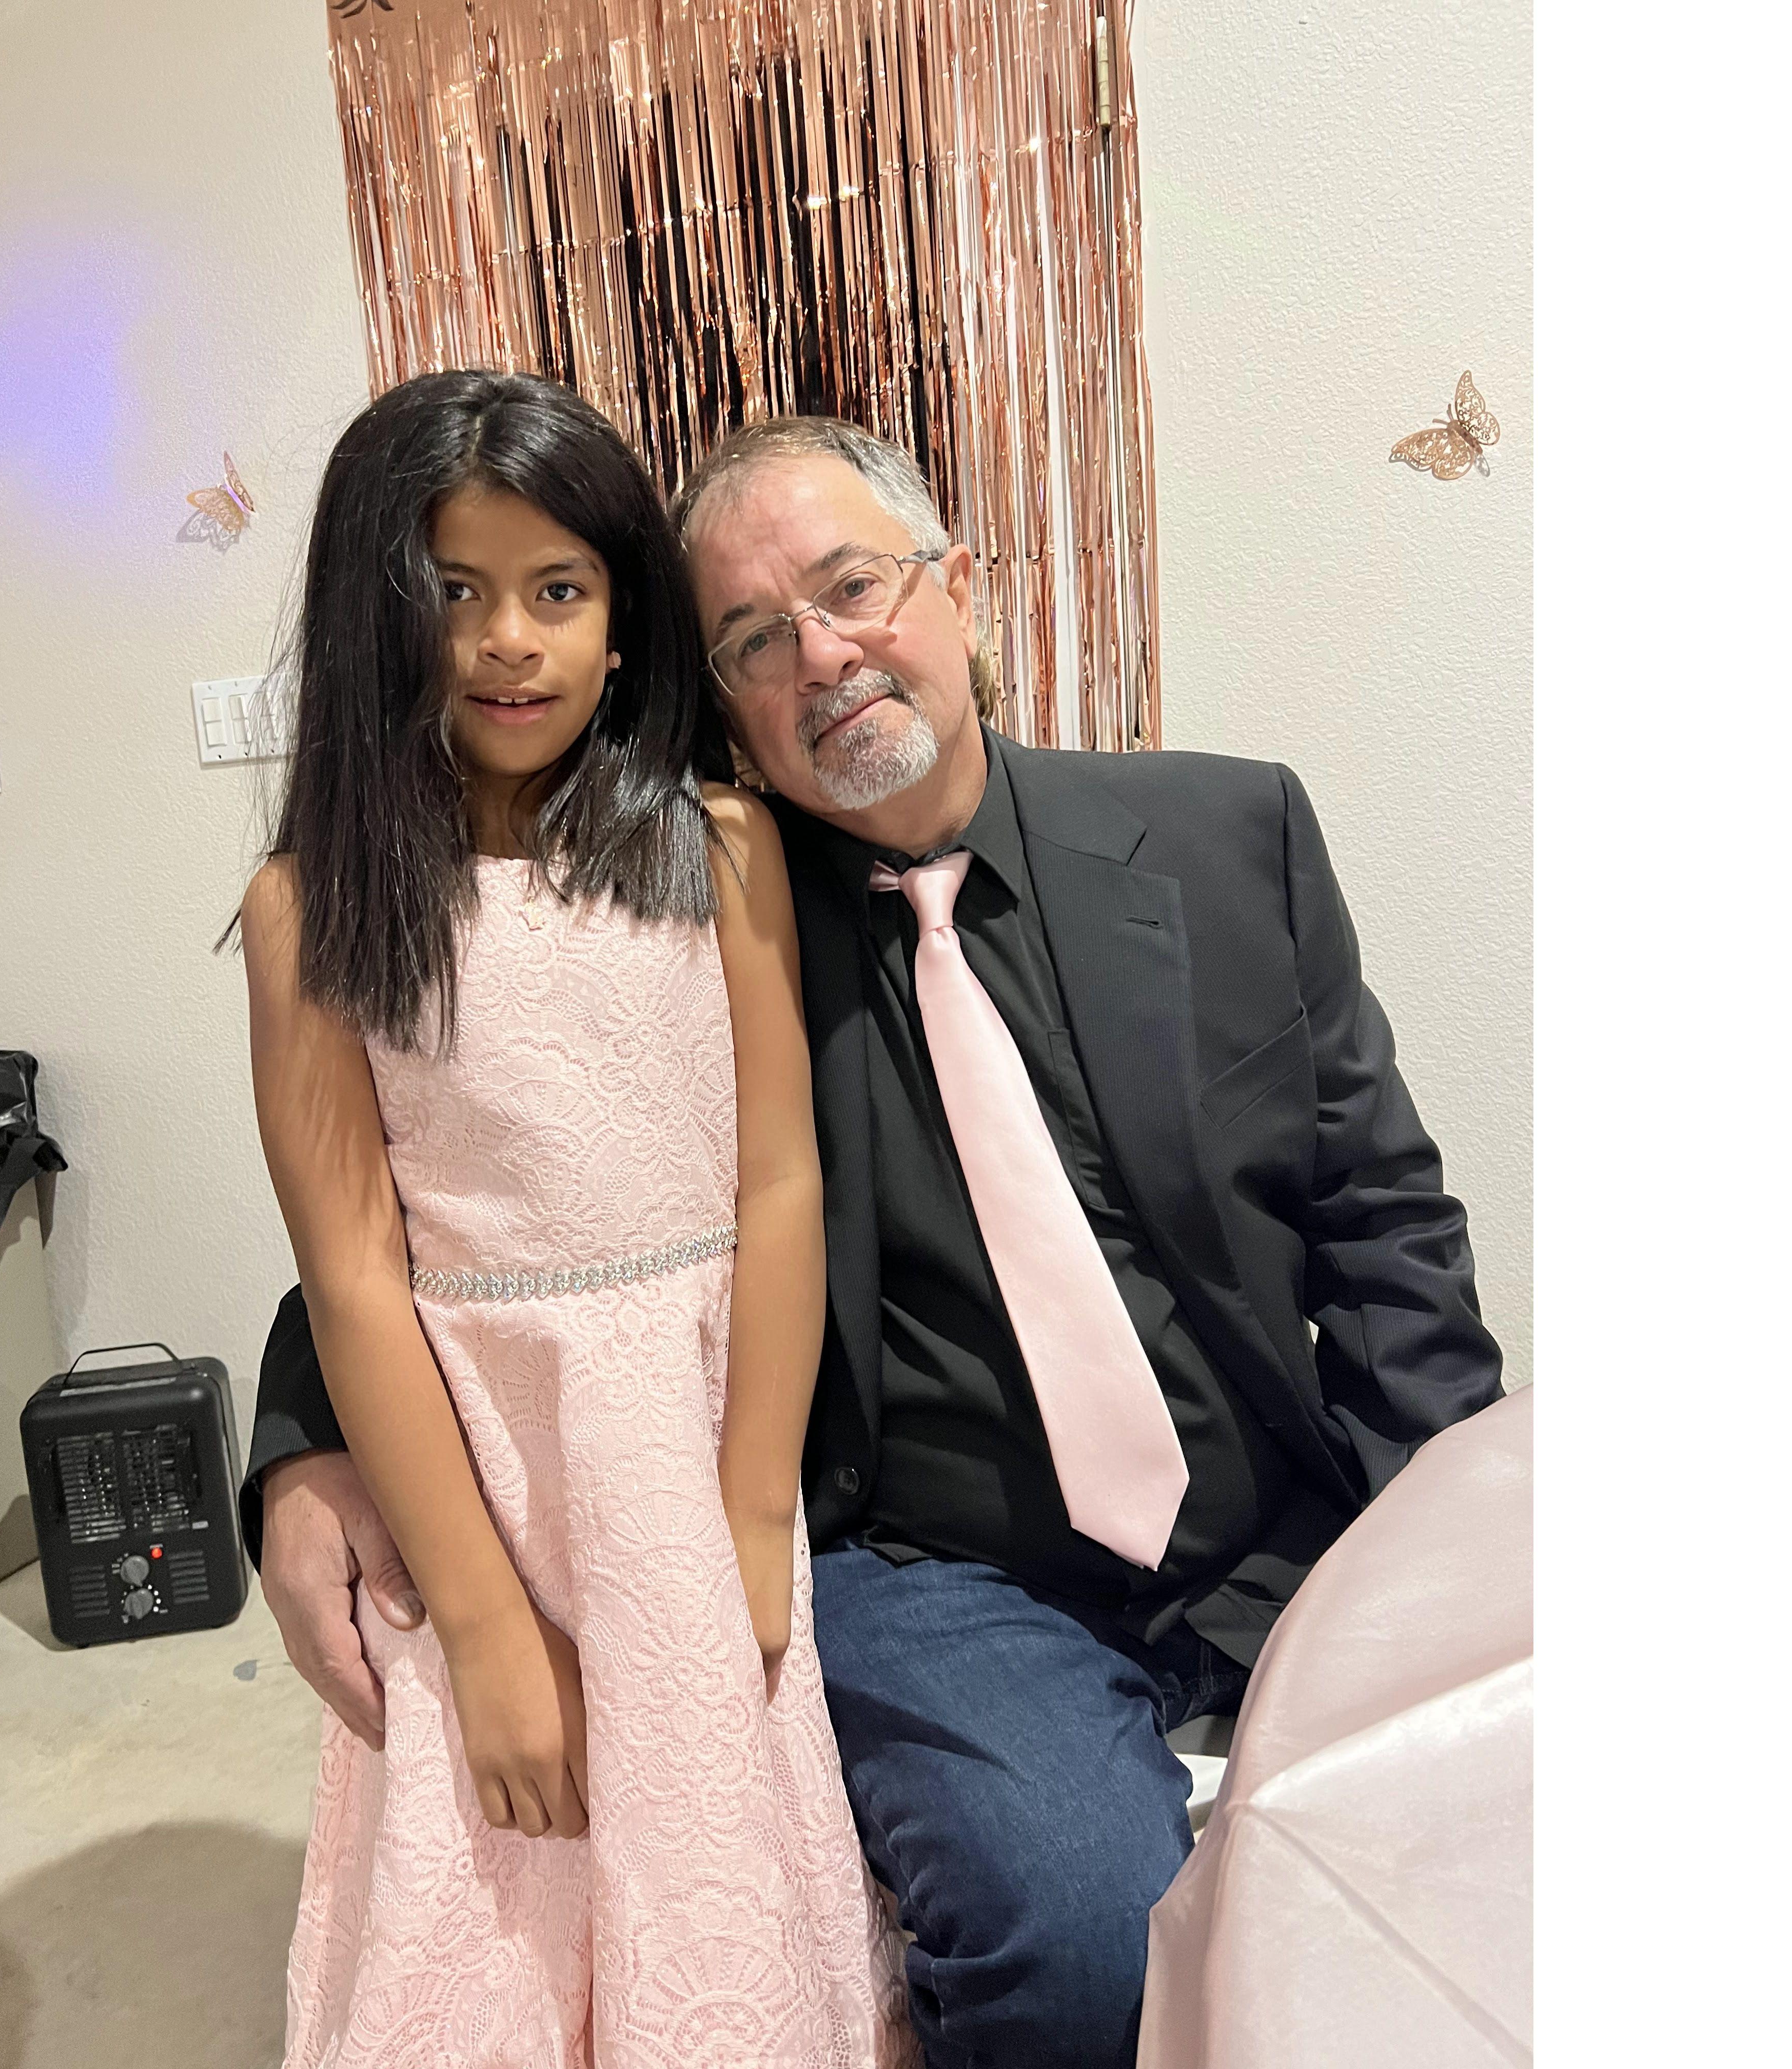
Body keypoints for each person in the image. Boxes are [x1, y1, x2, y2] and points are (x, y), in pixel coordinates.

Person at [244, 413, 1505, 2068]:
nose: (824, 656)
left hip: (1272, 1512)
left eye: (854, 588)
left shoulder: (1227, 836)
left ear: (959, 588)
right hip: (943, 1569)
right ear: (711, 691)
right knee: (1080, 1943)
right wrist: (300, 1451)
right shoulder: (705, 896)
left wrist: (1452, 1553)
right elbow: (471, 1193)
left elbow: (1386, 1227)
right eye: (755, 639)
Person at [238, 376, 915, 2068]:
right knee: (496, 1877)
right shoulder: (310, 910)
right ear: (373, 615)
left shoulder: (722, 849)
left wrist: (752, 1504)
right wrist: (478, 1621)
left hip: (689, 1464)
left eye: (558, 589)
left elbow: (778, 1184)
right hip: (479, 1463)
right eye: (452, 591)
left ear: (624, 622)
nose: (507, 640)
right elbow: (354, 1278)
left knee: (713, 1874)